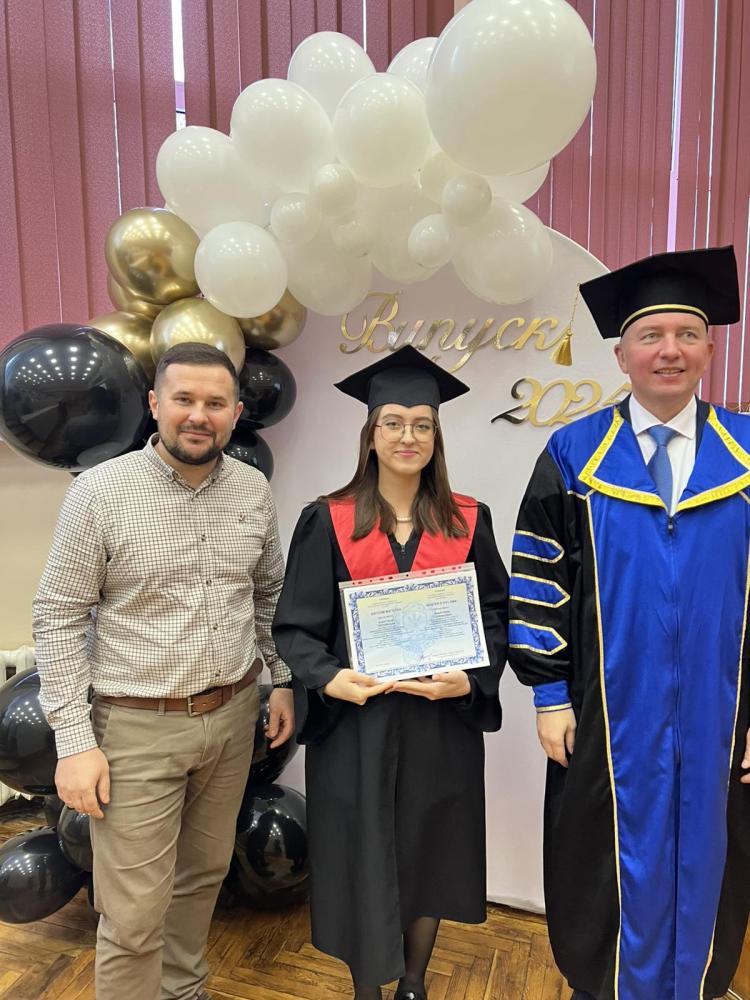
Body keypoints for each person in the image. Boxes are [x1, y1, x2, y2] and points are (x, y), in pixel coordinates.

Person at [508, 246, 750, 1000]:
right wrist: (549, 694)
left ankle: (697, 984)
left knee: (714, 850)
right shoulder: (575, 454)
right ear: (622, 355)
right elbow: (539, 577)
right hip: (606, 713)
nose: (669, 350)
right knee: (602, 856)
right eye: (651, 336)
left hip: (723, 712)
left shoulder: (748, 453)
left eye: (687, 334)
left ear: (710, 349)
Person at [33, 342, 294, 1000]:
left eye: (215, 402)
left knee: (202, 876)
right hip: (135, 729)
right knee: (133, 913)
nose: (198, 415)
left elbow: (268, 593)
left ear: (236, 413)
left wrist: (282, 678)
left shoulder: (253, 490)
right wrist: (74, 742)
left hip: (233, 716)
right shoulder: (101, 492)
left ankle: (183, 989)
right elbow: (58, 617)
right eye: (184, 399)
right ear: (155, 404)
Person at [272, 346, 508, 1000]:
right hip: (358, 725)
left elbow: (494, 615)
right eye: (394, 422)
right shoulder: (328, 520)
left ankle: (414, 982)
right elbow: (296, 627)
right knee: (361, 852)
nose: (409, 436)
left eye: (422, 424)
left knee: (430, 849)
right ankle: (364, 989)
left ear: (437, 436)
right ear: (371, 433)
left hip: (440, 726)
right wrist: (329, 679)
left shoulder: (468, 520)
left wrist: (470, 680)